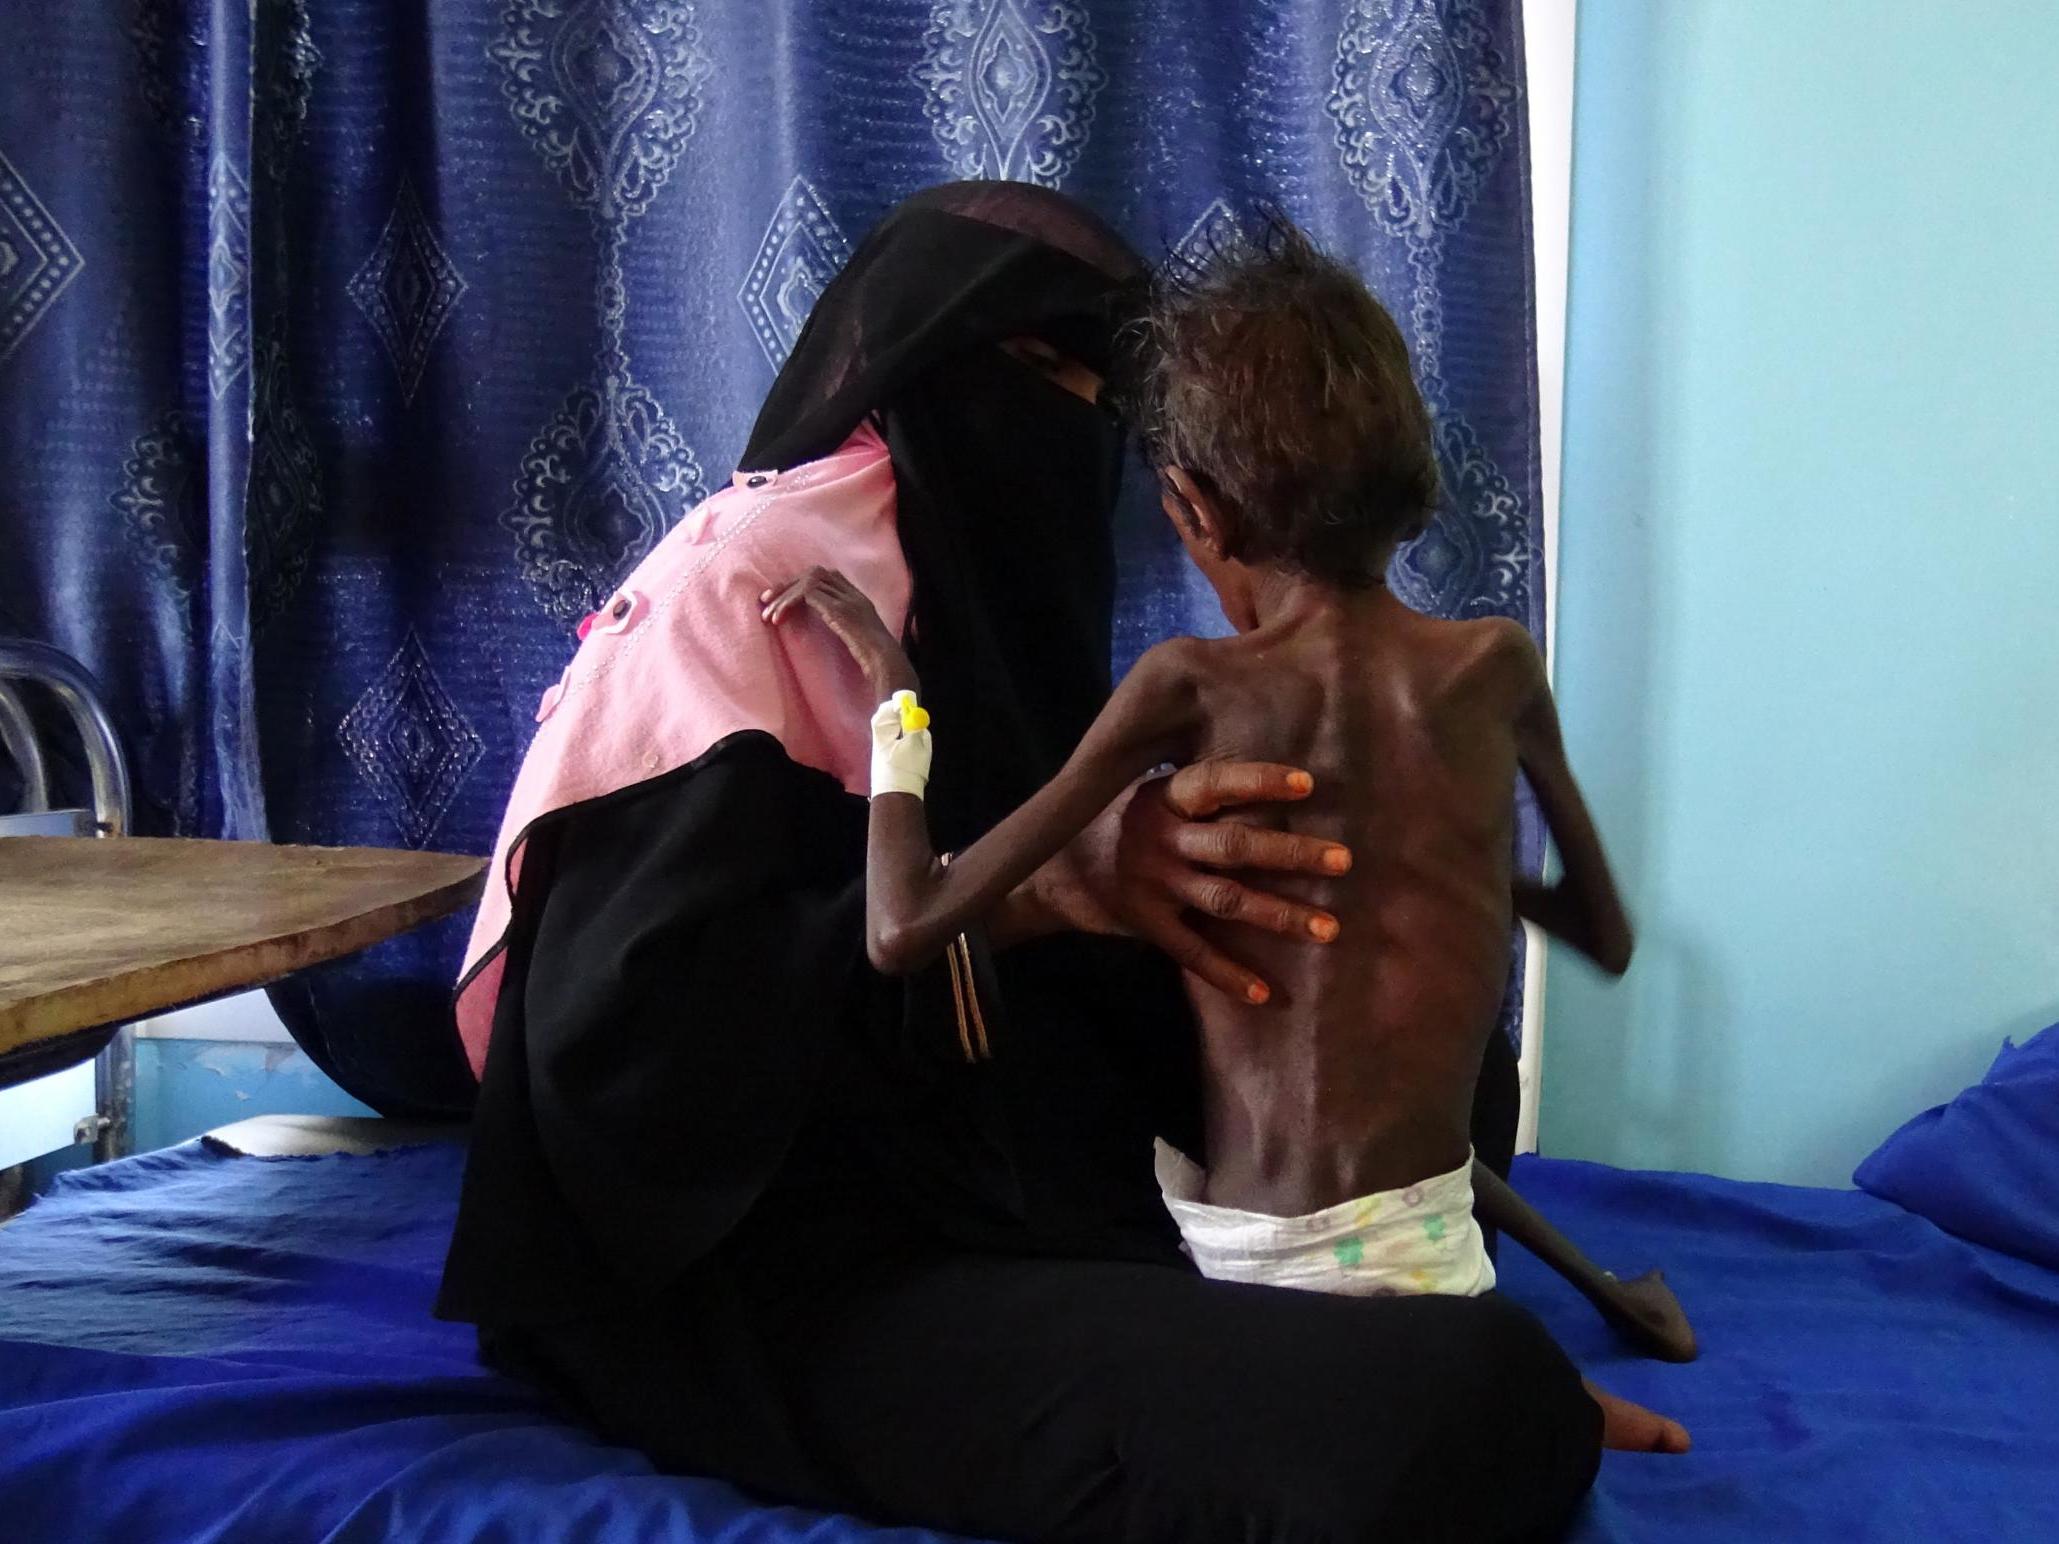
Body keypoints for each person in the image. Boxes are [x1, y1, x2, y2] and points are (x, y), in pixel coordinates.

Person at [441, 184, 1607, 1542]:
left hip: (1001, 1214)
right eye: (1027, 369)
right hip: (754, 1270)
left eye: (1094, 394)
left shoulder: (1006, 616)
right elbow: (624, 1058)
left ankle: (1386, 1373)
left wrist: (1196, 895)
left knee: (1442, 1066)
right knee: (1453, 1405)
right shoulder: (735, 599)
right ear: (907, 382)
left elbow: (1052, 1015)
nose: (1064, 419)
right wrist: (1041, 894)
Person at [763, 218, 1691, 1454]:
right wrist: (1457, 857)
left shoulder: (1190, 682)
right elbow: (1607, 934)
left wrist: (897, 697)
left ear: (1193, 506)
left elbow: (903, 926)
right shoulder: (1494, 665)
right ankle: (1517, 1379)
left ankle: (1478, 1392)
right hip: (1433, 1255)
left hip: (1259, 1280)